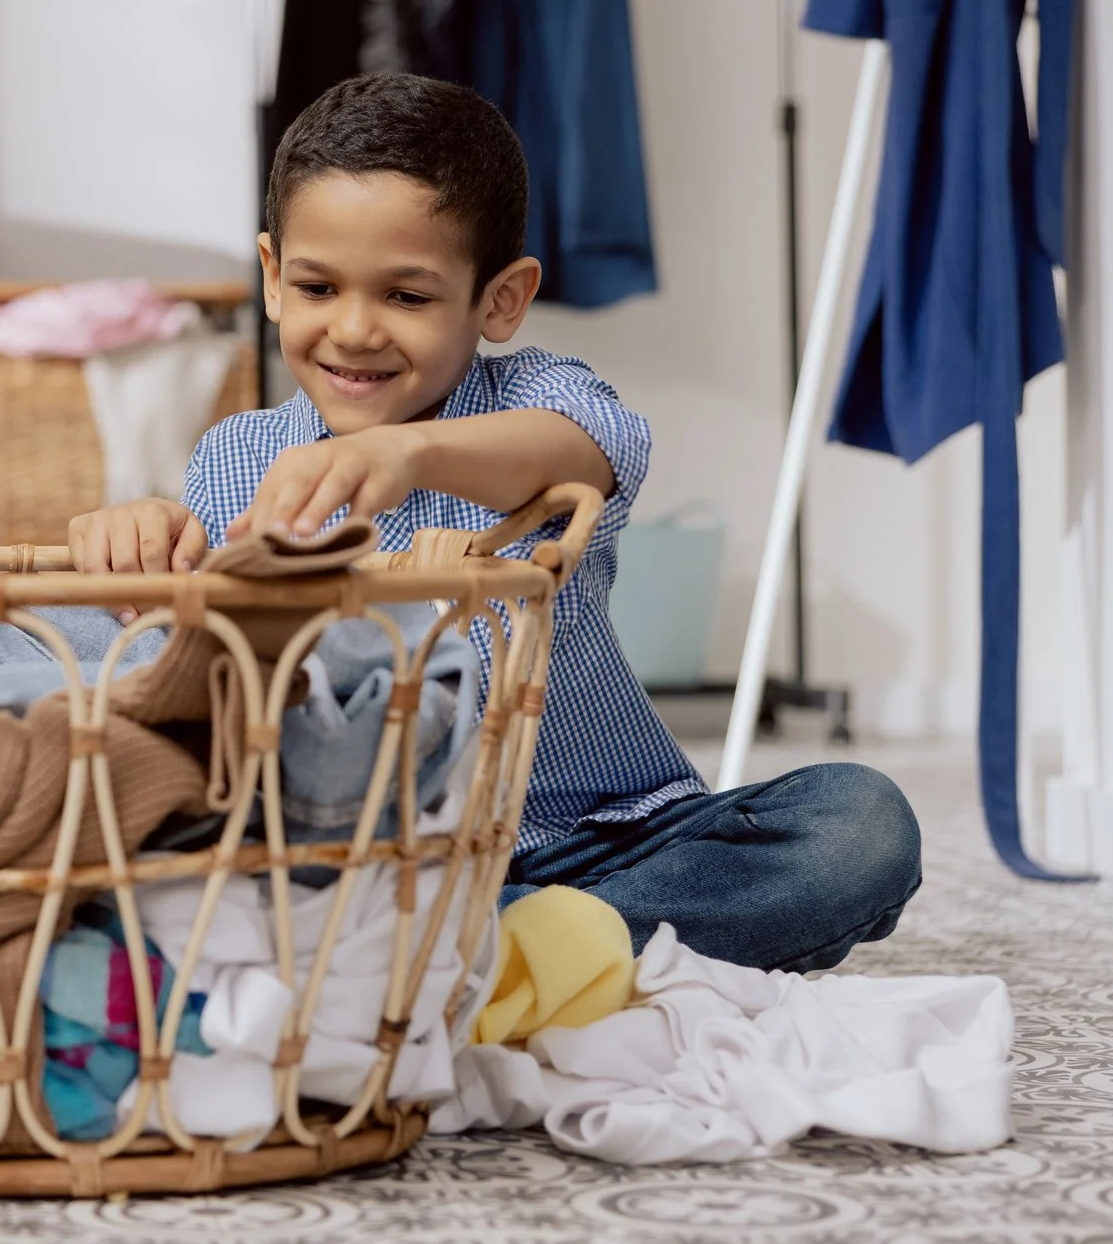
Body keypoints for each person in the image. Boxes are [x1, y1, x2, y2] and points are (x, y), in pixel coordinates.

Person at [68, 72, 919, 972]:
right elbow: (190, 668)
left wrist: (409, 455)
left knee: (859, 827)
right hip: (365, 858)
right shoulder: (237, 458)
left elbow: (587, 448)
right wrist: (138, 541)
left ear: (500, 300)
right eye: (319, 286)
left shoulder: (542, 401)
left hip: (596, 844)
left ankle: (484, 952)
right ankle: (500, 954)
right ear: (273, 278)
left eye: (407, 296)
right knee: (73, 677)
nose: (353, 330)